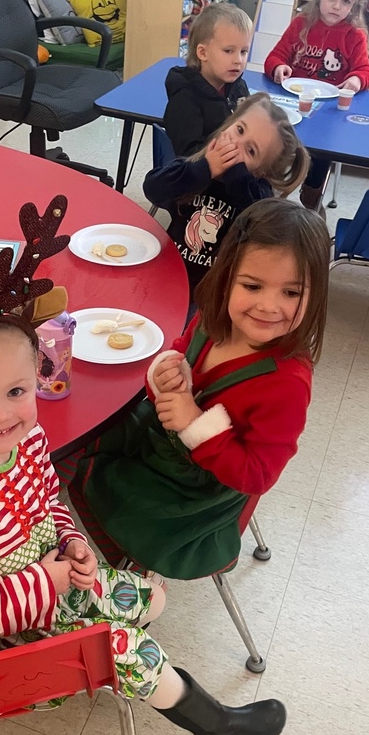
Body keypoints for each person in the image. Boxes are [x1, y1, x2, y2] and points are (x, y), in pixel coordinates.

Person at [0, 202, 286, 735]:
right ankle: (212, 725)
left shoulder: (27, 438)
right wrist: (48, 580)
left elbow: (47, 501)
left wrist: (70, 540)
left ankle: (129, 665)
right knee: (123, 646)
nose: (1, 415)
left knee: (151, 597)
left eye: (16, 392)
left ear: (36, 377)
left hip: (48, 585)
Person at [67, 198, 330, 583]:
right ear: (227, 277)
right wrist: (164, 374)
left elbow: (257, 475)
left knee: (108, 490)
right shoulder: (213, 316)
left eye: (292, 293)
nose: (269, 306)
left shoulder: (286, 384)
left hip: (194, 491)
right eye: (252, 286)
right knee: (79, 431)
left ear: (316, 294)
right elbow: (178, 352)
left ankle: (133, 576)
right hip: (162, 441)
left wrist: (194, 423)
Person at [144, 94, 309, 321]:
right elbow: (153, 189)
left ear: (261, 171)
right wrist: (203, 169)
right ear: (228, 124)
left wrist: (237, 177)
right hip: (167, 273)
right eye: (239, 130)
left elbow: (261, 231)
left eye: (251, 151)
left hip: (212, 294)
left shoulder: (256, 195)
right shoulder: (194, 169)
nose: (235, 145)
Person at [264, 0, 369, 211]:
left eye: (346, 1)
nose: (336, 6)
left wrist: (356, 80)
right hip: (293, 106)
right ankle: (269, 192)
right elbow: (274, 57)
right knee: (275, 146)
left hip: (327, 115)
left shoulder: (354, 35)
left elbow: (365, 71)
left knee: (321, 155)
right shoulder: (301, 24)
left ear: (354, 6)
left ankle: (312, 199)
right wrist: (279, 68)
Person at [164, 2, 253, 158]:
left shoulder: (238, 87)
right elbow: (188, 156)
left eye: (244, 52)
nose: (238, 60)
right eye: (228, 51)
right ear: (203, 53)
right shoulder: (185, 98)